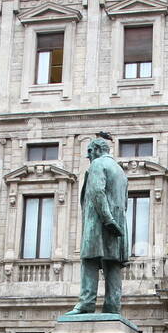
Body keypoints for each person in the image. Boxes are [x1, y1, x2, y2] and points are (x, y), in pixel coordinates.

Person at [62, 133, 129, 317]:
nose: (89, 156)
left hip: (100, 223)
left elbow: (97, 192)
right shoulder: (120, 171)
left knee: (90, 261)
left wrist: (107, 219)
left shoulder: (98, 164)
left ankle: (86, 303)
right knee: (112, 265)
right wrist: (116, 222)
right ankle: (113, 306)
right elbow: (125, 203)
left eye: (90, 152)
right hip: (119, 226)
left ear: (98, 150)